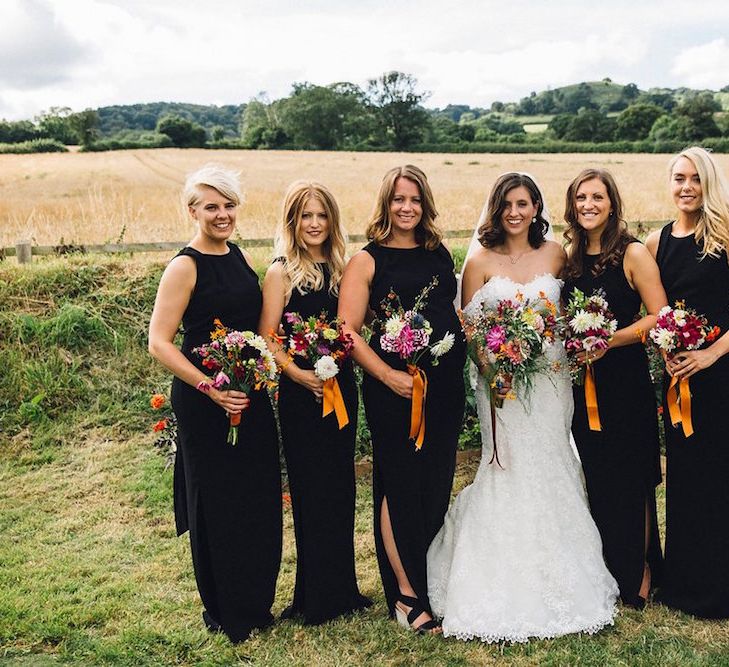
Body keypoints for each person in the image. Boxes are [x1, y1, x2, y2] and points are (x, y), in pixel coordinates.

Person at [427, 172, 618, 642]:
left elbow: (571, 313)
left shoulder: (557, 254)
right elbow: (471, 330)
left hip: (552, 382)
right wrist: (494, 370)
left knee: (553, 461)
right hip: (503, 388)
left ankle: (567, 571)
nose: (516, 212)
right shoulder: (478, 259)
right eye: (508, 204)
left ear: (537, 208)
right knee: (508, 468)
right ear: (496, 208)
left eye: (525, 203)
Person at [148, 164, 281, 642]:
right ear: (192, 211)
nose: (222, 214)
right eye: (212, 206)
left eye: (228, 205)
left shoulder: (237, 254)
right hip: (206, 401)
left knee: (258, 495)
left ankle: (256, 601)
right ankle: (227, 610)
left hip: (250, 393)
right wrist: (210, 388)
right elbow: (160, 343)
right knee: (218, 501)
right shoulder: (184, 265)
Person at [338, 165, 466, 634]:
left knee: (435, 481)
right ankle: (406, 594)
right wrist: (389, 376)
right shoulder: (367, 261)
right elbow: (347, 332)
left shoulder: (439, 256)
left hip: (444, 388)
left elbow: (449, 314)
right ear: (385, 205)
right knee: (398, 482)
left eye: (413, 199)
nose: (406, 207)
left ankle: (430, 577)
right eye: (397, 200)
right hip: (394, 390)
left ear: (424, 203)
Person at [258, 181, 371, 625]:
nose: (315, 224)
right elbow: (268, 336)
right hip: (301, 395)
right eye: (306, 215)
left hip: (341, 390)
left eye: (322, 215)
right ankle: (313, 594)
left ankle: (344, 588)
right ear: (293, 220)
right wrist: (298, 373)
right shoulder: (281, 271)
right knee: (309, 489)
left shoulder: (345, 267)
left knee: (341, 487)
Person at [562, 168, 666, 608]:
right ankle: (609, 565)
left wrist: (610, 339)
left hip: (624, 382)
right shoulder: (570, 257)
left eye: (597, 197)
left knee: (632, 475)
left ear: (612, 202)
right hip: (584, 387)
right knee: (600, 476)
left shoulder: (633, 252)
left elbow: (660, 315)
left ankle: (641, 570)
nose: (589, 204)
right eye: (581, 197)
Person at [646, 146, 729, 618]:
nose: (687, 187)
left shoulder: (723, 234)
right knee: (685, 479)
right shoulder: (658, 242)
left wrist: (710, 354)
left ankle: (718, 586)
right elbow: (656, 311)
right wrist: (668, 350)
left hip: (721, 375)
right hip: (680, 383)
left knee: (719, 477)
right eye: (679, 178)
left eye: (696, 178)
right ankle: (685, 582)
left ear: (709, 182)